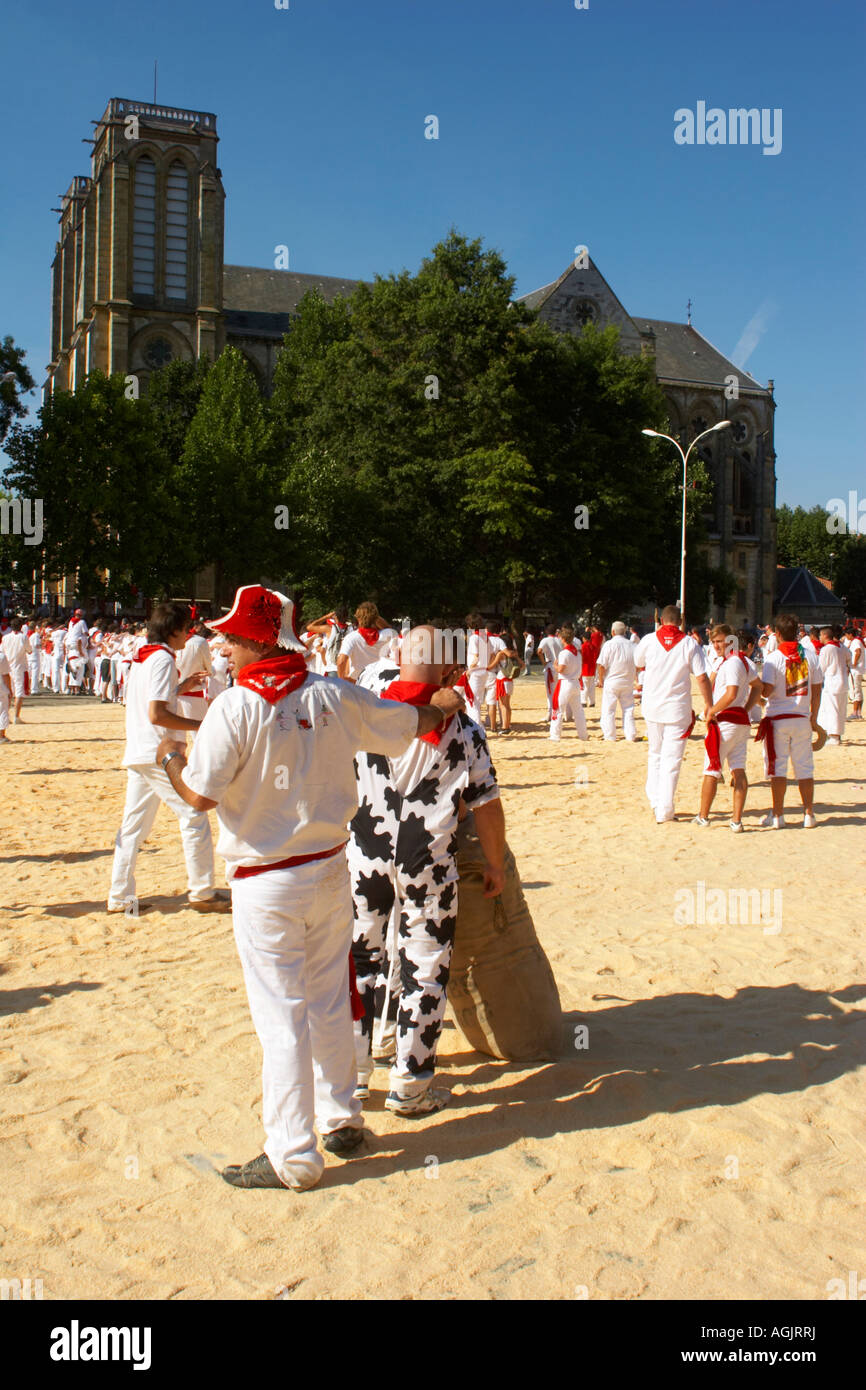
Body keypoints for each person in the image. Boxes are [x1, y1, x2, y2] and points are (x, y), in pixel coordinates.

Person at [158, 586, 463, 1190]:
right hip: (329, 867)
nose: (221, 644)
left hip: (267, 877)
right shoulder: (331, 692)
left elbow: (199, 795)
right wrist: (445, 700)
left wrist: (170, 757)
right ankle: (341, 1118)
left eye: (230, 636)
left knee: (281, 1014)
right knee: (328, 997)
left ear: (254, 640)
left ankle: (292, 1156)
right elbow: (411, 721)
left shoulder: (236, 706)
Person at [349, 625, 503, 1115]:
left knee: (356, 960)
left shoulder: (367, 703)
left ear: (398, 652)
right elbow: (486, 802)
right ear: (451, 668)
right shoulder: (466, 728)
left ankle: (350, 1076)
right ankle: (410, 1084)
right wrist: (495, 863)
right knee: (425, 963)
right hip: (427, 859)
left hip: (364, 853)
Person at [107, 601, 228, 915]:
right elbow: (157, 714)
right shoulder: (161, 658)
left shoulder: (145, 657)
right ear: (173, 631)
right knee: (194, 816)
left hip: (140, 750)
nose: (189, 635)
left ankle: (119, 896)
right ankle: (201, 892)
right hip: (157, 752)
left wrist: (179, 688)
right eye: (185, 629)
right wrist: (201, 725)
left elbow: (153, 704)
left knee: (133, 827)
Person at [635, 604, 713, 823]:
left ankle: (655, 799)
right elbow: (702, 677)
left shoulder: (649, 640)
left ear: (660, 620)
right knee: (672, 759)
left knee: (655, 754)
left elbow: (638, 662)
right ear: (681, 621)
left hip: (652, 706)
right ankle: (665, 808)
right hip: (677, 708)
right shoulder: (689, 643)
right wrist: (709, 703)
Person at [756, 613, 823, 829]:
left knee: (778, 768)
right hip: (802, 717)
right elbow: (816, 691)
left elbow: (767, 690)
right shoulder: (810, 656)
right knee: (804, 768)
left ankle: (778, 815)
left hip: (778, 718)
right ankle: (809, 813)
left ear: (776, 634)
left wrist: (754, 689)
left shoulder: (774, 658)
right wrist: (814, 717)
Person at [693, 625, 762, 831]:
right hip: (739, 721)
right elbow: (757, 686)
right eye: (713, 642)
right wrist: (746, 708)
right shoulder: (742, 661)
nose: (716, 646)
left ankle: (704, 816)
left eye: (720, 641)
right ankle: (736, 820)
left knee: (712, 767)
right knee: (738, 768)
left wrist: (712, 710)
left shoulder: (732, 663)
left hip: (726, 720)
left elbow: (731, 693)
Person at [596, 621, 637, 741]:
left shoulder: (609, 644)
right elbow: (638, 664)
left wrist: (601, 679)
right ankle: (631, 735)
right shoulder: (632, 645)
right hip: (627, 681)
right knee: (628, 709)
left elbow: (602, 665)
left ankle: (610, 735)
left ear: (613, 632)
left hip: (612, 680)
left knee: (609, 710)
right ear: (624, 632)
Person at [337, 602, 398, 682]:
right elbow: (388, 627)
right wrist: (374, 616)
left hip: (358, 681)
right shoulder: (389, 634)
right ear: (376, 618)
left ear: (358, 618)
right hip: (379, 680)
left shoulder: (351, 637)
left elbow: (341, 662)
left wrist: (342, 680)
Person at [549, 624, 588, 742]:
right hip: (575, 682)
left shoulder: (564, 653)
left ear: (563, 638)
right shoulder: (577, 653)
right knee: (578, 711)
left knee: (558, 709)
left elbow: (561, 669)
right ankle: (583, 735)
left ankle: (555, 735)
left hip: (565, 682)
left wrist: (555, 665)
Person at [176, 619, 215, 734]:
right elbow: (209, 669)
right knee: (200, 735)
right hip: (194, 692)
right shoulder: (200, 642)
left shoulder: (170, 641)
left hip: (174, 693)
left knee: (176, 736)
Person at [486, 627, 524, 736]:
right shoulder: (514, 653)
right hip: (510, 680)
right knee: (507, 704)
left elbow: (490, 667)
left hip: (502, 679)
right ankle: (507, 725)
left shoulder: (501, 654)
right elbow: (522, 665)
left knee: (503, 705)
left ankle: (505, 727)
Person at [817, 625, 850, 746]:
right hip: (842, 681)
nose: (819, 637)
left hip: (833, 682)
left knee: (833, 709)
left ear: (825, 636)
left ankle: (834, 736)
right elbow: (849, 656)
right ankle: (836, 734)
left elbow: (821, 667)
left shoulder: (827, 649)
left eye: (820, 635)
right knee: (840, 708)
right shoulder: (841, 646)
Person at [1, 618, 28, 723]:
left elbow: (2, 651)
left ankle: (6, 716)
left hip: (7, 666)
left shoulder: (5, 637)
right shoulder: (23, 637)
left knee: (7, 691)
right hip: (19, 666)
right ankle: (16, 716)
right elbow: (29, 650)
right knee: (19, 691)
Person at [536, 623, 563, 723]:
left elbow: (539, 651)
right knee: (558, 691)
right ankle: (558, 712)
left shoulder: (545, 640)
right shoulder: (559, 640)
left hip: (550, 665)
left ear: (547, 631)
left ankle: (551, 713)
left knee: (550, 692)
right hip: (559, 665)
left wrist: (543, 662)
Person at [846, 625, 864, 719]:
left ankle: (855, 713)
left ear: (850, 634)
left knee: (855, 691)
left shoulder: (855, 642)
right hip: (858, 669)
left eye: (846, 635)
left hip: (855, 670)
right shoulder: (857, 641)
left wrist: (854, 663)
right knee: (859, 691)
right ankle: (858, 713)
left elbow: (858, 652)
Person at [580, 628, 598, 708]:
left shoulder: (583, 646)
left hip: (585, 668)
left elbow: (582, 658)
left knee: (585, 686)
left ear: (584, 638)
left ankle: (583, 701)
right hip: (592, 668)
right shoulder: (593, 646)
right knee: (591, 686)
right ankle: (592, 702)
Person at [0, 646, 11, 745]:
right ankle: (1, 735)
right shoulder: (1, 656)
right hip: (1, 687)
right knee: (3, 710)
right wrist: (9, 689)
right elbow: (5, 675)